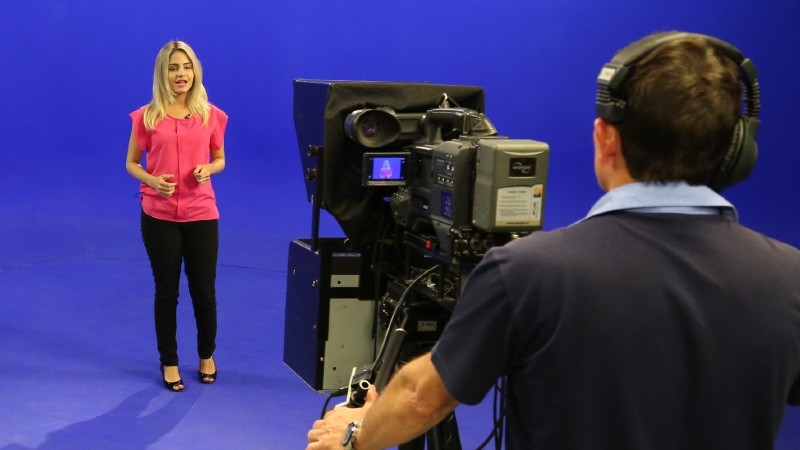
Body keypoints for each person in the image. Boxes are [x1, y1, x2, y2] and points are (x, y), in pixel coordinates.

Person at [306, 32, 800, 449]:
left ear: (605, 138)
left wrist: (354, 433)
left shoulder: (528, 272)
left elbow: (422, 396)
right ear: (736, 152)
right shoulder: (789, 276)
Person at [125, 40, 228, 392]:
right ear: (162, 73)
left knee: (204, 291)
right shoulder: (147, 116)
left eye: (185, 66)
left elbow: (220, 158)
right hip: (159, 216)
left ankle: (206, 355)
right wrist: (153, 180)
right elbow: (131, 163)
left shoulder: (211, 115)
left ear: (195, 70)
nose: (180, 73)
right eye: (172, 67)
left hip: (201, 214)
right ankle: (169, 361)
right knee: (167, 292)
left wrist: (208, 170)